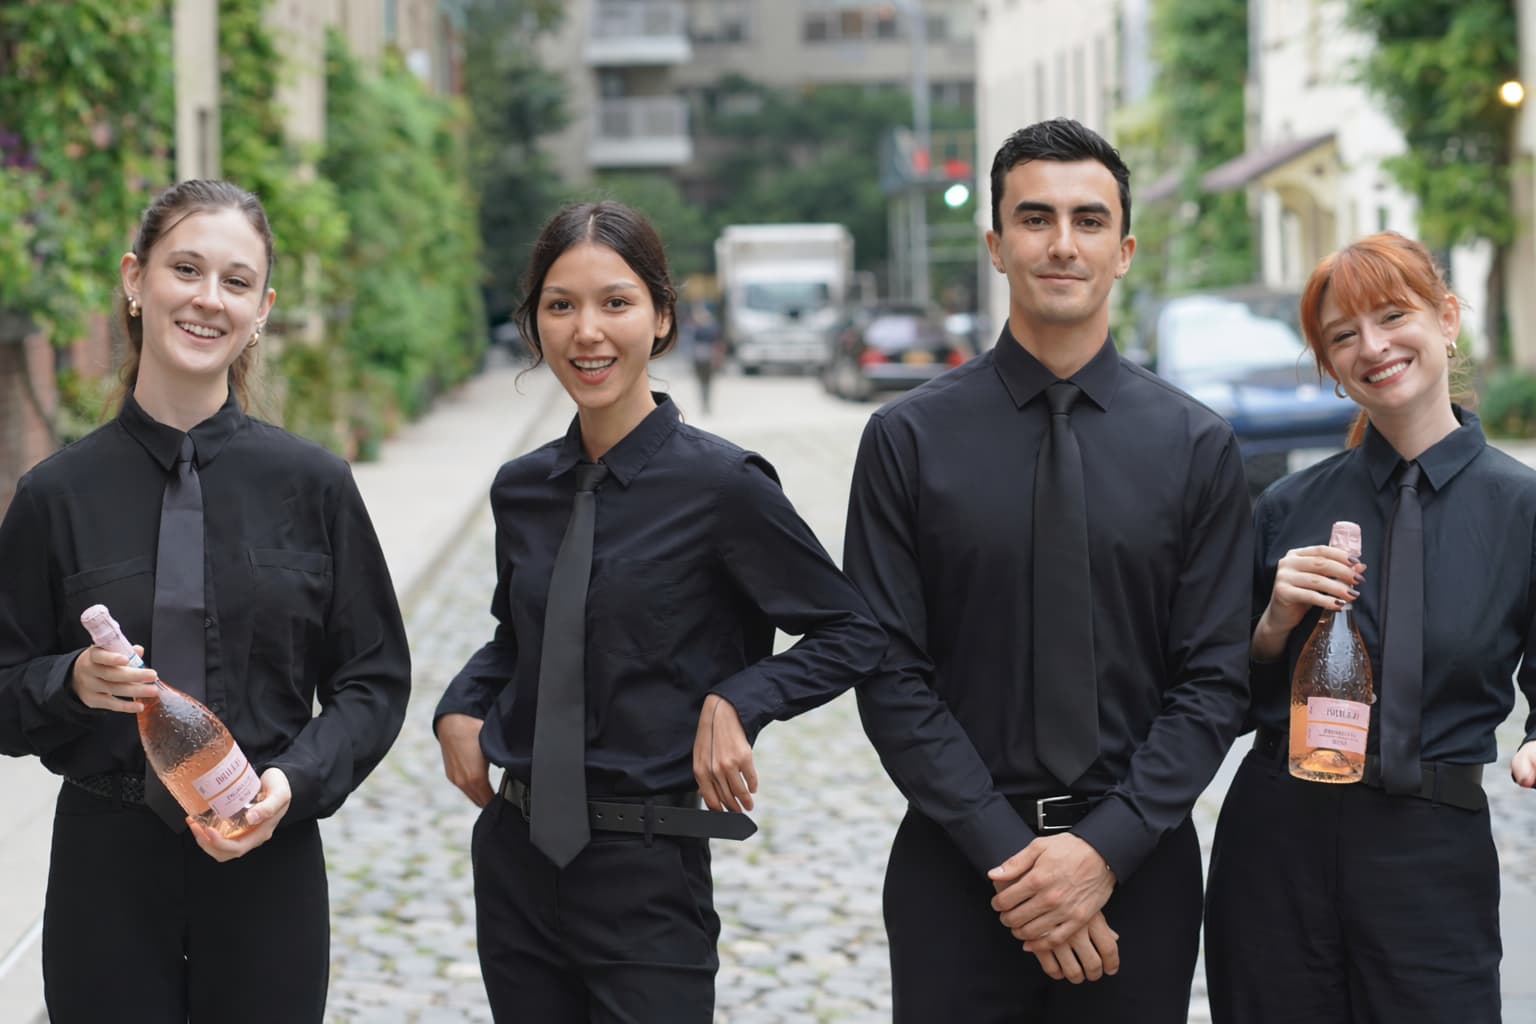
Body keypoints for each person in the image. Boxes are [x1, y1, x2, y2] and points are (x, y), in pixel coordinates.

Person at [433, 199, 884, 1022]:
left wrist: (742, 698)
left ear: (663, 317)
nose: (586, 333)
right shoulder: (521, 489)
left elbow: (853, 631)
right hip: (516, 858)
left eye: (615, 303)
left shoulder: (725, 488)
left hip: (646, 872)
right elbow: (521, 636)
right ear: (534, 322)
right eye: (560, 306)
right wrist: (460, 704)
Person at [844, 117, 1252, 1021]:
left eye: (1088, 220)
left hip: (1137, 877)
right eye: (1035, 219)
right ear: (995, 245)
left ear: (1125, 249)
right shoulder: (907, 442)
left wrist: (1098, 853)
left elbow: (1215, 683)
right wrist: (1018, 865)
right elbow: (889, 674)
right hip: (957, 871)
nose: (1062, 243)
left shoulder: (1197, 447)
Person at [0, 179, 411, 1024]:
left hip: (269, 861)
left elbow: (373, 683)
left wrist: (295, 783)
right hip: (105, 870)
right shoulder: (54, 495)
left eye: (234, 281)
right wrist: (70, 682)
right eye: (185, 268)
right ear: (134, 280)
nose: (206, 299)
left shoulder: (317, 486)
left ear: (261, 309)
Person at [1204, 231, 1536, 1023]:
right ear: (1328, 364)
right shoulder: (1288, 508)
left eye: (1393, 316)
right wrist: (1273, 621)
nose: (1373, 348)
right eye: (1343, 336)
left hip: (1431, 851)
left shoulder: (1520, 509)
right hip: (1277, 841)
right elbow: (1218, 693)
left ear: (1447, 318)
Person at [680, 301, 724, 415]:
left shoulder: (711, 327)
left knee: (707, 382)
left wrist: (718, 358)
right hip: (699, 357)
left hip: (708, 357)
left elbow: (717, 343)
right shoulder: (694, 326)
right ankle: (704, 404)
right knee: (701, 383)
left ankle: (706, 404)